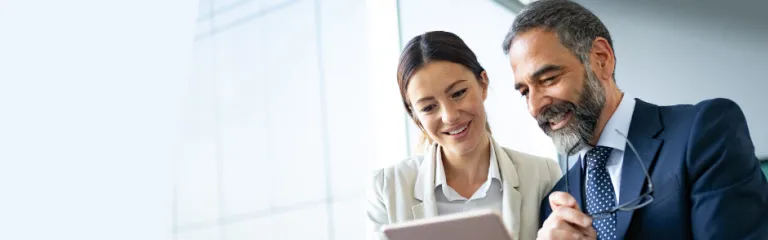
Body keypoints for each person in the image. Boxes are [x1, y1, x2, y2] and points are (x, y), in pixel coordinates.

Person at [500, 1, 768, 239]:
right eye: (524, 92)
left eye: (548, 79)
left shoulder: (704, 131)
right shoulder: (555, 202)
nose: (535, 106)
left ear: (601, 60)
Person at [366, 31, 562, 240]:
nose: (450, 116)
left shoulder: (542, 176)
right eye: (429, 107)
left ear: (483, 84)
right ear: (415, 116)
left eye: (458, 93)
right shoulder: (387, 188)